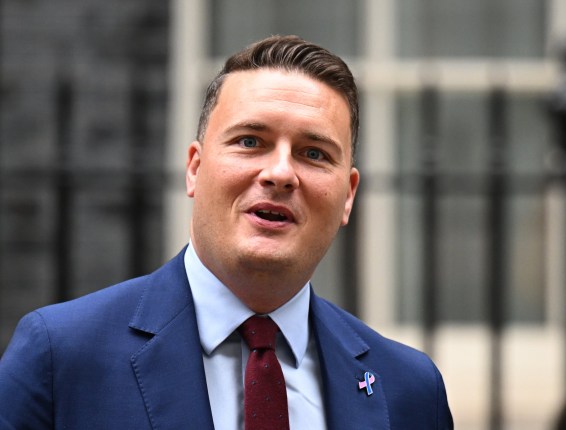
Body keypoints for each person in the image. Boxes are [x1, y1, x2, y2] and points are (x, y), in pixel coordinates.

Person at [0, 35, 452, 429]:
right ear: (194, 169)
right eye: (250, 142)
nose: (280, 173)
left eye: (313, 153)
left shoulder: (410, 390)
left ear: (348, 195)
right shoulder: (61, 357)